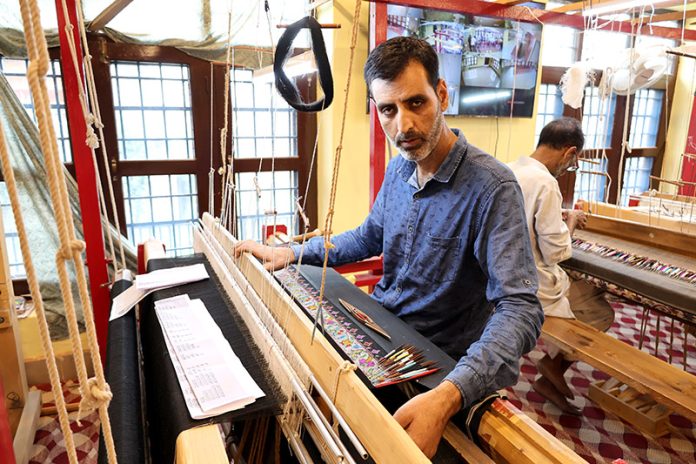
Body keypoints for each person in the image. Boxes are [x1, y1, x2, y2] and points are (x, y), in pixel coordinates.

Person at [235, 36, 544, 457]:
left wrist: (451, 393)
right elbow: (367, 237)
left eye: (416, 103)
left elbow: (520, 308)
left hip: (433, 367)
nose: (403, 126)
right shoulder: (400, 169)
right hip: (380, 336)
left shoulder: (492, 188)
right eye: (388, 109)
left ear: (442, 94)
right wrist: (292, 252)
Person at [508, 118, 614, 415]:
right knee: (599, 308)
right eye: (572, 163)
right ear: (569, 153)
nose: (568, 168)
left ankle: (551, 375)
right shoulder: (546, 183)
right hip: (533, 285)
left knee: (588, 291)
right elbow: (556, 252)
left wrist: (558, 216)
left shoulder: (508, 169)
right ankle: (552, 366)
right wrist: (569, 223)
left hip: (503, 275)